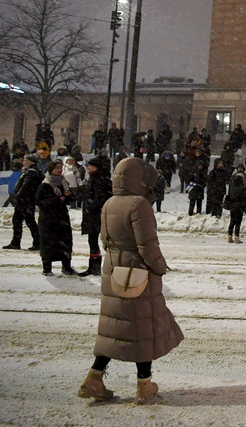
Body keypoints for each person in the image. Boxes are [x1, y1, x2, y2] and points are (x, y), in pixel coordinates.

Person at [77, 157, 183, 404]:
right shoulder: (139, 204)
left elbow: (105, 240)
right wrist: (159, 267)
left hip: (114, 270)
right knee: (143, 329)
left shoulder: (110, 203)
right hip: (137, 274)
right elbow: (147, 245)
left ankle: (94, 378)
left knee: (115, 330)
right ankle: (144, 385)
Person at [36, 160, 77, 276]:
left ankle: (66, 266)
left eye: (61, 167)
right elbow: (39, 202)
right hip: (48, 219)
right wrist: (56, 200)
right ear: (51, 170)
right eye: (57, 168)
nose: (60, 170)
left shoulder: (63, 183)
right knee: (48, 243)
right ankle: (47, 268)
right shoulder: (45, 185)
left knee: (65, 242)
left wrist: (69, 196)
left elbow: (68, 199)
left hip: (61, 218)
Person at [78, 156, 112, 277]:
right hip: (95, 215)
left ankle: (95, 268)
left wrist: (90, 208)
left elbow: (99, 197)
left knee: (94, 241)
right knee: (93, 241)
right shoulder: (96, 178)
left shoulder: (99, 180)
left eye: (91, 166)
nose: (88, 168)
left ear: (97, 167)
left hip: (95, 215)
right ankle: (94, 267)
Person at [4, 154, 42, 250]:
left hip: (25, 201)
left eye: (25, 160)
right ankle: (19, 242)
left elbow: (26, 186)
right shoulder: (30, 171)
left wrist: (18, 195)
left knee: (26, 221)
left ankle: (36, 242)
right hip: (26, 201)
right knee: (24, 221)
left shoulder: (31, 172)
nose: (23, 162)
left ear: (30, 161)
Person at [223, 165, 246, 244]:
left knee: (232, 221)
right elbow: (245, 198)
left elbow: (229, 196)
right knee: (238, 222)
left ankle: (229, 236)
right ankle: (236, 237)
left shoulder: (231, 188)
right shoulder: (242, 189)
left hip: (232, 206)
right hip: (239, 206)